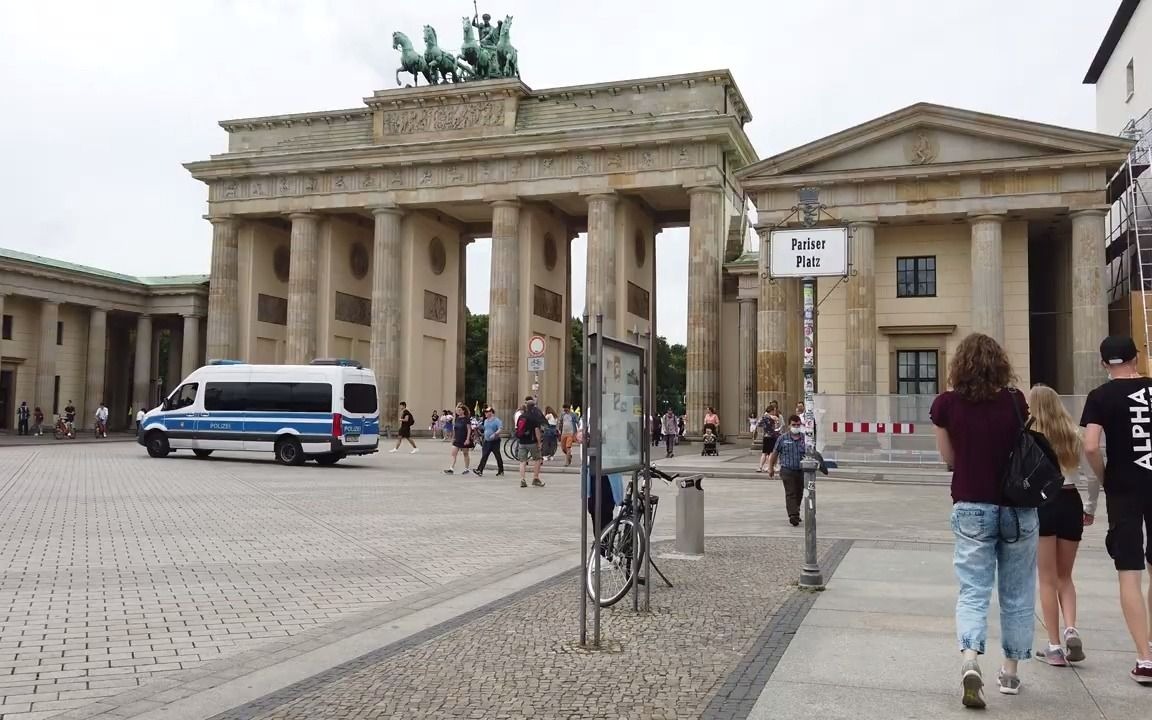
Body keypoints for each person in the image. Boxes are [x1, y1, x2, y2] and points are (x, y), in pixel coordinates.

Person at [931, 333, 1036, 707]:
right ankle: (1010, 673)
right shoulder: (1014, 401)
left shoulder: (945, 405)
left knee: (973, 590)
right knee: (1018, 592)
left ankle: (970, 660)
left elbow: (950, 460)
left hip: (971, 505)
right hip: (1016, 507)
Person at [1080, 335, 1152, 684]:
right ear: (1136, 358)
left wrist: (1103, 474)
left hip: (1123, 487)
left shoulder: (1100, 397)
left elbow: (1090, 445)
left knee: (1130, 572)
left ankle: (1144, 658)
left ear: (1104, 364)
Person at [1028, 384, 1098, 667]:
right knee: (1065, 576)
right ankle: (1071, 629)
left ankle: (1054, 646)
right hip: (1071, 500)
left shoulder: (1031, 437)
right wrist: (1090, 508)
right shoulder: (1074, 435)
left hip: (1044, 503)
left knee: (1046, 578)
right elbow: (1092, 476)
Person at [766, 415, 806, 526]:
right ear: (789, 425)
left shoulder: (805, 438)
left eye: (798, 425)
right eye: (794, 425)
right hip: (787, 470)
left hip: (801, 470)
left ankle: (796, 510)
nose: (796, 427)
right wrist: (771, 467)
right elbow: (774, 453)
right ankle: (793, 515)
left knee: (799, 492)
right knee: (791, 492)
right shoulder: (783, 438)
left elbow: (812, 453)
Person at [514, 396, 546, 488]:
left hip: (522, 442)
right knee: (537, 459)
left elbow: (518, 428)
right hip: (532, 442)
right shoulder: (534, 417)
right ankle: (535, 478)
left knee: (522, 461)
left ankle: (522, 480)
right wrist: (539, 443)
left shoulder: (521, 416)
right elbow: (537, 431)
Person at [474, 406, 504, 477]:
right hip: (487, 441)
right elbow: (485, 429)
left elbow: (500, 428)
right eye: (485, 412)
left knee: (497, 456)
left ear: (491, 412)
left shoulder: (497, 420)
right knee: (484, 455)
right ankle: (479, 470)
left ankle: (501, 470)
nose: (485, 413)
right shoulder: (486, 421)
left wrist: (495, 434)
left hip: (495, 441)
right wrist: (479, 428)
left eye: (487, 412)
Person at [444, 404, 473, 474]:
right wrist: (453, 437)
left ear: (463, 411)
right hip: (457, 438)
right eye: (458, 410)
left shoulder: (466, 419)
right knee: (453, 453)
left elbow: (469, 429)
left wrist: (467, 439)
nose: (458, 411)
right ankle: (451, 468)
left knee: (465, 454)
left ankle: (466, 469)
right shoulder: (457, 418)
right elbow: (455, 429)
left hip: (464, 438)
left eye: (460, 410)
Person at [757, 403, 783, 473]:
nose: (774, 412)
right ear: (771, 411)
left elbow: (759, 424)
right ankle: (769, 467)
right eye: (773, 411)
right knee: (771, 453)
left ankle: (760, 467)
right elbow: (777, 427)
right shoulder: (774, 417)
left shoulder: (764, 417)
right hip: (772, 436)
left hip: (766, 436)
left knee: (764, 453)